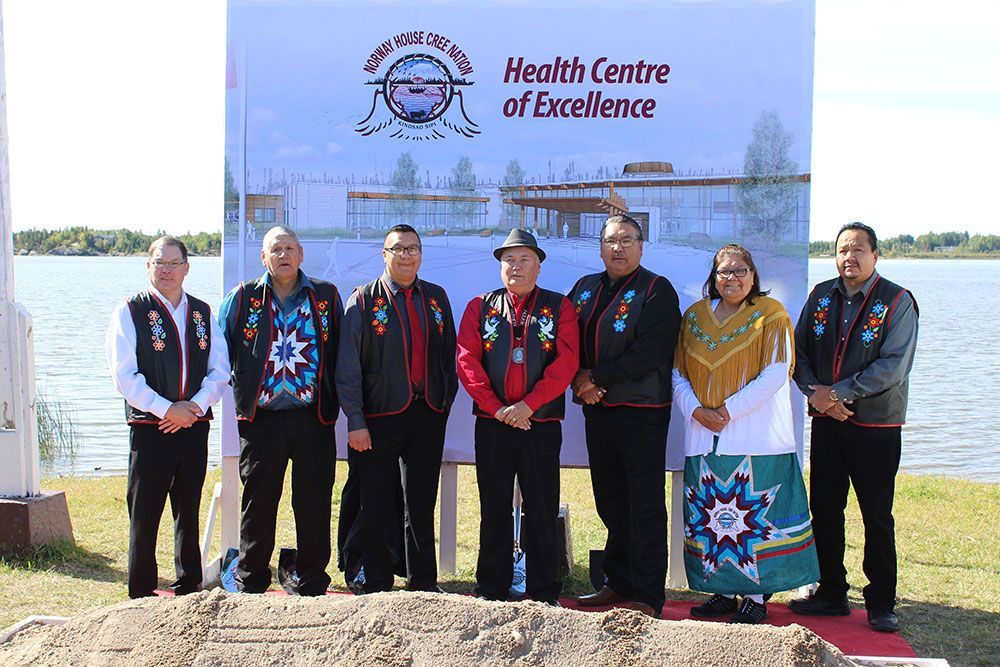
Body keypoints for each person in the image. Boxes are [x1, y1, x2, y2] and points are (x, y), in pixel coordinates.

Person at [673, 244, 819, 624]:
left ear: (753, 276)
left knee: (751, 518)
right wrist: (696, 410)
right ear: (713, 277)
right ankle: (721, 592)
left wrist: (726, 411)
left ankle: (755, 597)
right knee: (712, 515)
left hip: (753, 435)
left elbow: (776, 372)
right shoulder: (693, 318)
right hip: (703, 433)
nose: (732, 278)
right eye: (724, 272)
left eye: (740, 271)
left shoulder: (770, 315)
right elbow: (678, 373)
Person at [790, 222, 918, 633]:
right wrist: (816, 393)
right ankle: (831, 592)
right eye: (843, 249)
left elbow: (893, 365)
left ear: (875, 255)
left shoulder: (897, 301)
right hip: (828, 423)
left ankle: (881, 601)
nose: (850, 256)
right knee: (825, 510)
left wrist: (838, 394)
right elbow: (800, 351)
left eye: (858, 249)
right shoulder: (821, 296)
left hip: (876, 425)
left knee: (876, 514)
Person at [456, 228, 579, 605]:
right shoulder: (481, 306)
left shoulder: (560, 307)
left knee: (541, 507)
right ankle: (491, 586)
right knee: (493, 506)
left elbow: (567, 361)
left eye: (524, 258)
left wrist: (529, 405)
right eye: (508, 259)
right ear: (499, 266)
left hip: (539, 424)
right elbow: (467, 361)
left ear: (539, 265)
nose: (516, 266)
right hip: (493, 425)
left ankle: (544, 590)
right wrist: (497, 408)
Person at [219, 225, 343, 595]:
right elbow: (218, 356)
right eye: (276, 249)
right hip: (262, 420)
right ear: (263, 257)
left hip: (313, 417)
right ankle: (251, 577)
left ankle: (312, 579)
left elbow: (342, 352)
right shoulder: (242, 299)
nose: (284, 255)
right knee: (258, 503)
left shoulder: (325, 297)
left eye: (290, 248)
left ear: (302, 254)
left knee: (314, 501)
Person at [568, 214, 680, 619]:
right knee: (611, 500)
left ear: (641, 245)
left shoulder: (657, 290)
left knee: (644, 503)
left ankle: (647, 594)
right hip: (599, 411)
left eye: (627, 240)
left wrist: (595, 378)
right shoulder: (584, 289)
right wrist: (581, 382)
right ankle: (617, 581)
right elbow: (565, 340)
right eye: (611, 240)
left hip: (641, 412)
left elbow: (651, 351)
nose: (618, 248)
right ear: (600, 246)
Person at [336, 223, 458, 593]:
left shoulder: (436, 298)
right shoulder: (362, 300)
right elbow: (347, 367)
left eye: (412, 248)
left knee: (421, 503)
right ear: (384, 255)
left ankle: (422, 582)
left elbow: (449, 357)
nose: (405, 255)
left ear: (421, 254)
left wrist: (443, 403)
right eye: (398, 249)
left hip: (427, 416)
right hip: (378, 418)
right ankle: (377, 581)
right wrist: (355, 420)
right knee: (376, 504)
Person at [106, 236, 230, 598]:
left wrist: (193, 409)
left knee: (188, 510)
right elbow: (123, 375)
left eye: (174, 263)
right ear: (148, 266)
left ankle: (188, 588)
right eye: (160, 262)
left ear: (187, 268)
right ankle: (141, 594)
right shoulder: (129, 311)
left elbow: (219, 371)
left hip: (193, 428)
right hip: (151, 427)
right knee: (144, 515)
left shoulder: (203, 313)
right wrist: (166, 409)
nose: (167, 270)